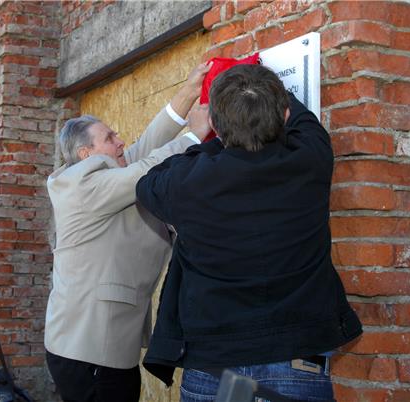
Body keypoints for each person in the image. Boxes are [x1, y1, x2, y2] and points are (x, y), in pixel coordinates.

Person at [135, 64, 363, 401]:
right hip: (296, 364)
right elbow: (301, 120)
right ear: (283, 114)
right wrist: (258, 85)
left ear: (214, 124)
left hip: (213, 372)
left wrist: (203, 138)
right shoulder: (311, 158)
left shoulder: (187, 183)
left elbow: (149, 182)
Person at [44, 62, 213, 402]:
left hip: (98, 348)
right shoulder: (83, 186)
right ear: (85, 153)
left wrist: (188, 93)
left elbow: (146, 145)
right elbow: (149, 166)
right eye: (110, 138)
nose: (120, 141)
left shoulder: (101, 174)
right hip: (89, 352)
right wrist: (195, 136)